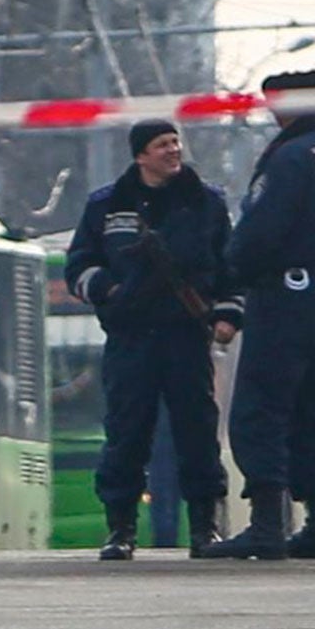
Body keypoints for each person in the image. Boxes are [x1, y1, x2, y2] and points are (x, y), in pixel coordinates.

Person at [204, 70, 315, 561]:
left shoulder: (291, 157)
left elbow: (259, 233)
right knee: (312, 412)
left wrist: (230, 272)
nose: (270, 112)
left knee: (260, 409)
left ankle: (266, 526)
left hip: (287, 292)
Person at [63, 120, 241, 560]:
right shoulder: (107, 206)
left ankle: (205, 527)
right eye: (163, 145)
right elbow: (79, 267)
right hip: (131, 338)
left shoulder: (206, 204)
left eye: (176, 142)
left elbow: (231, 268)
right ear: (140, 155)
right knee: (126, 432)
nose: (174, 150)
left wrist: (227, 314)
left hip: (186, 336)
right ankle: (120, 529)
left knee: (197, 432)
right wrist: (108, 289)